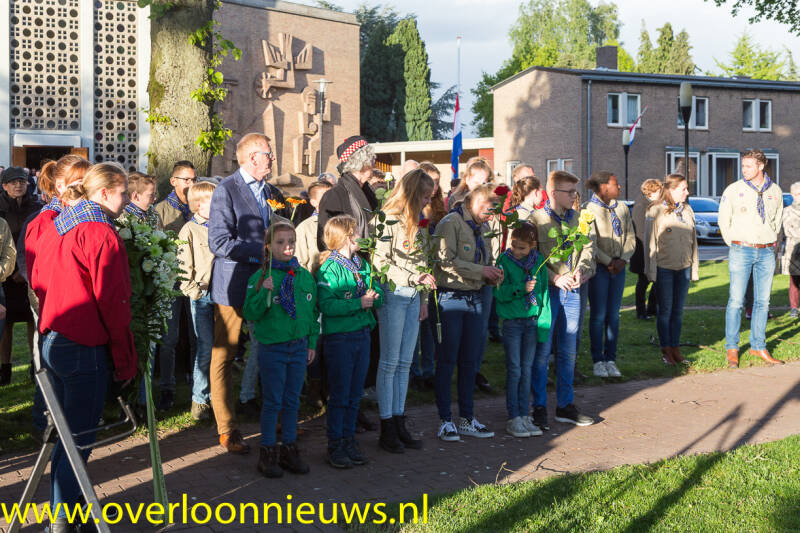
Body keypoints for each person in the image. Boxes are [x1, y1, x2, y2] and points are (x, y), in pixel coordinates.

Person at [34, 162, 136, 531]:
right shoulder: (99, 233)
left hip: (54, 339)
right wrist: (125, 359)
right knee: (77, 440)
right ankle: (62, 521)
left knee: (68, 436)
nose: (127, 200)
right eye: (124, 192)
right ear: (104, 192)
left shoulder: (60, 225)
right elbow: (114, 302)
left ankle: (69, 513)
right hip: (81, 343)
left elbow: (39, 280)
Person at [208, 133, 289, 454]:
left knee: (270, 349)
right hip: (233, 287)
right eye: (268, 154)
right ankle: (227, 428)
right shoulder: (226, 189)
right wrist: (263, 252)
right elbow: (219, 242)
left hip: (265, 284)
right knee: (224, 357)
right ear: (253, 157)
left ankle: (274, 418)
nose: (272, 158)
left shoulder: (271, 192)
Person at [243, 222, 317, 478]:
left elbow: (311, 313)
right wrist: (263, 293)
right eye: (280, 242)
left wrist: (312, 343)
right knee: (273, 401)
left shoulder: (304, 276)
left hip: (298, 347)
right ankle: (267, 451)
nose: (287, 247)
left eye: (291, 242)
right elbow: (250, 313)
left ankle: (289, 448)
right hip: (272, 347)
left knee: (292, 400)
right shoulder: (261, 276)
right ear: (268, 247)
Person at [372, 169, 436, 453]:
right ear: (411, 193)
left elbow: (421, 262)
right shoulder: (386, 219)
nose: (426, 202)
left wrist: (422, 298)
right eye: (424, 196)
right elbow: (380, 262)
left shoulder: (416, 223)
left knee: (405, 363)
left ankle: (399, 419)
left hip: (412, 298)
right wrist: (413, 279)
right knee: (389, 362)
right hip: (393, 293)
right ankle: (386, 425)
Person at [433, 184, 503, 441]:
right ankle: (445, 420)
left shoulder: (482, 228)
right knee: (447, 359)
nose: (490, 215)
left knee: (470, 361)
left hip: (474, 298)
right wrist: (481, 272)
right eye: (487, 209)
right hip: (450, 298)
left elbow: (485, 260)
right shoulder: (450, 223)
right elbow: (444, 262)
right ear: (473, 202)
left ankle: (466, 417)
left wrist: (492, 273)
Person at [529, 170, 595, 429]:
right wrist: (555, 278)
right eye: (569, 192)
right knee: (542, 352)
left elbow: (589, 250)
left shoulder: (580, 219)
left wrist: (583, 271)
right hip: (548, 292)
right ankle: (539, 406)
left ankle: (565, 406)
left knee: (568, 352)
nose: (574, 197)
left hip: (573, 292)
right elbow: (531, 259)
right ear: (554, 193)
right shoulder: (536, 219)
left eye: (575, 192)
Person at [316, 215, 383, 468]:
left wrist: (375, 296)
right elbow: (327, 305)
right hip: (340, 338)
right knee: (341, 394)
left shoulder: (362, 263)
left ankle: (349, 439)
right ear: (345, 237)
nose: (361, 236)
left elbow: (377, 296)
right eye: (356, 232)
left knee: (355, 394)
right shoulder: (329, 268)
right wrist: (359, 302)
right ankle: (335, 443)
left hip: (362, 333)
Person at [719, 149, 784, 368]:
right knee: (736, 301)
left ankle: (758, 346)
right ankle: (732, 348)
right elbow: (723, 220)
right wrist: (735, 243)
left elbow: (776, 220)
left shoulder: (775, 190)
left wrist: (770, 240)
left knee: (762, 302)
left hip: (766, 251)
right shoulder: (734, 189)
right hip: (741, 249)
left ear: (761, 166)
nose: (743, 170)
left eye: (748, 166)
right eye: (743, 165)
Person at [494, 223, 550, 438]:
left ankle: (525, 415)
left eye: (522, 248)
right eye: (514, 246)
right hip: (512, 323)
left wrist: (543, 326)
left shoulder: (540, 265)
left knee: (527, 369)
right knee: (515, 368)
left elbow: (544, 297)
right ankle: (513, 416)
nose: (517, 252)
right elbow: (498, 293)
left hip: (532, 321)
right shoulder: (504, 261)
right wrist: (520, 289)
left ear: (532, 246)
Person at [152, 161, 200, 411]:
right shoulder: (160, 210)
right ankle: (167, 388)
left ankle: (196, 385)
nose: (191, 184)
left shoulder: (199, 208)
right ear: (173, 181)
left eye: (194, 179)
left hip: (194, 282)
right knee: (169, 339)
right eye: (186, 179)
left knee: (196, 337)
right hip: (170, 282)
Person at [586, 171, 635, 378]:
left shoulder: (622, 207)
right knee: (598, 315)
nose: (620, 187)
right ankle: (598, 360)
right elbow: (590, 241)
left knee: (614, 315)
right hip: (600, 270)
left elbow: (631, 236)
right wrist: (608, 262)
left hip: (619, 268)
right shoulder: (589, 209)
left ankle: (611, 358)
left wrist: (624, 258)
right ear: (604, 187)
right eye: (616, 184)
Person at [645, 174, 698, 366]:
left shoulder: (687, 210)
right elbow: (650, 244)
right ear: (672, 189)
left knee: (678, 311)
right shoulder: (655, 210)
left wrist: (694, 268)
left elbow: (693, 243)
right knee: (665, 310)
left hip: (683, 267)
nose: (687, 192)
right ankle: (666, 350)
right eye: (683, 188)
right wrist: (651, 271)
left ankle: (676, 348)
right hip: (664, 268)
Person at [178, 181, 217, 421]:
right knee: (205, 348)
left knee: (221, 349)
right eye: (214, 202)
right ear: (199, 204)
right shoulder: (189, 230)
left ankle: (216, 396)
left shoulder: (222, 227)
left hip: (222, 295)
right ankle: (199, 400)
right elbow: (183, 267)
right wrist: (195, 292)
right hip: (203, 296)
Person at [0, 166, 42, 384]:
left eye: (22, 182)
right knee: (4, 323)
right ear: (4, 185)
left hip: (28, 273)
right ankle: (4, 369)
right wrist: (9, 270)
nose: (18, 185)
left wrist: (23, 270)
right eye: (13, 182)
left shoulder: (37, 206)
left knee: (32, 321)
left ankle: (34, 368)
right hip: (4, 275)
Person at [413, 162, 447, 389]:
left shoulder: (438, 206)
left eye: (437, 182)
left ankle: (429, 369)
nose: (434, 188)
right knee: (418, 324)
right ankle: (414, 370)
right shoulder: (414, 208)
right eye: (430, 182)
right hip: (418, 271)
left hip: (434, 268)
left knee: (430, 323)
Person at [317, 136, 379, 250]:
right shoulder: (334, 196)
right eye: (372, 159)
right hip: (346, 264)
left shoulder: (368, 192)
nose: (375, 164)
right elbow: (325, 240)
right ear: (362, 162)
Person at [631, 179, 663, 320]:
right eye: (658, 191)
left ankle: (651, 308)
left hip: (652, 250)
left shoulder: (653, 205)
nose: (661, 193)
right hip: (643, 251)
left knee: (656, 280)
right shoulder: (641, 206)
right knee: (643, 282)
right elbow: (641, 231)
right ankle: (641, 311)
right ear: (651, 192)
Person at [296, 181, 333, 273]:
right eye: (325, 196)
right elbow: (299, 262)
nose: (330, 199)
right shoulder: (305, 228)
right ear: (313, 202)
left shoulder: (342, 223)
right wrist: (309, 282)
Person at [782, 182, 800, 319]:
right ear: (792, 195)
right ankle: (794, 307)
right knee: (794, 279)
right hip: (794, 249)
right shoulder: (787, 211)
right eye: (796, 194)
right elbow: (788, 229)